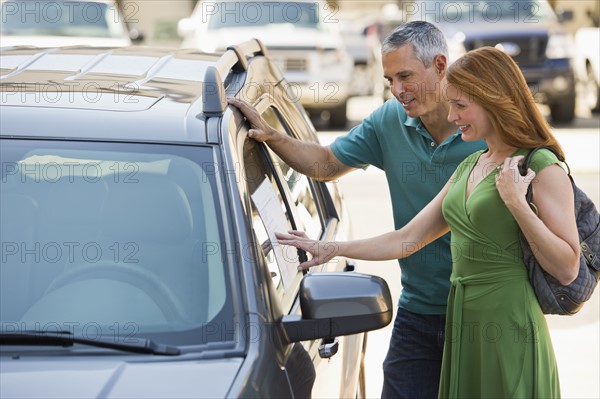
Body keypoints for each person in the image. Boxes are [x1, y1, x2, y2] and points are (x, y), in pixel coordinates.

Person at [275, 46, 580, 398]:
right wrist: (329, 248)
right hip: (462, 323)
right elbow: (408, 238)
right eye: (451, 105)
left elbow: (568, 267)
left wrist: (517, 204)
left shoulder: (539, 165)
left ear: (494, 100)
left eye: (461, 106)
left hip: (508, 325)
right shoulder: (471, 165)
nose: (452, 117)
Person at [229, 20, 486, 398]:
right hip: (418, 312)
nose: (397, 91)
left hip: (482, 314)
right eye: (389, 81)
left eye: (405, 76)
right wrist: (273, 137)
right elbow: (326, 164)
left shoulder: (484, 127)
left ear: (441, 64)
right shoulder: (390, 121)